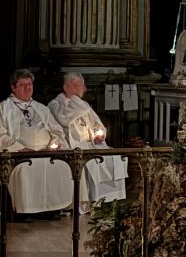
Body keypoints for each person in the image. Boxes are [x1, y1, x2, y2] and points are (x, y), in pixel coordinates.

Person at [0, 68, 73, 214]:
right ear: (13, 87)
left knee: (62, 166)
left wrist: (55, 143)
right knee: (25, 169)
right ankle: (25, 211)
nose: (28, 87)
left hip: (46, 153)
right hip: (20, 155)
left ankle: (53, 209)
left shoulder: (41, 108)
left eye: (30, 84)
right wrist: (19, 148)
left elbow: (56, 130)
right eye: (23, 84)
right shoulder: (3, 108)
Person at [48, 73, 127, 210]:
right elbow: (63, 120)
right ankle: (89, 201)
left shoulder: (82, 104)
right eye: (78, 85)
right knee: (90, 161)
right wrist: (76, 103)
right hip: (72, 146)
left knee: (117, 157)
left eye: (81, 85)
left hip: (92, 143)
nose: (82, 89)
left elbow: (98, 124)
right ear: (66, 87)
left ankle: (107, 200)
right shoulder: (56, 104)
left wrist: (99, 134)